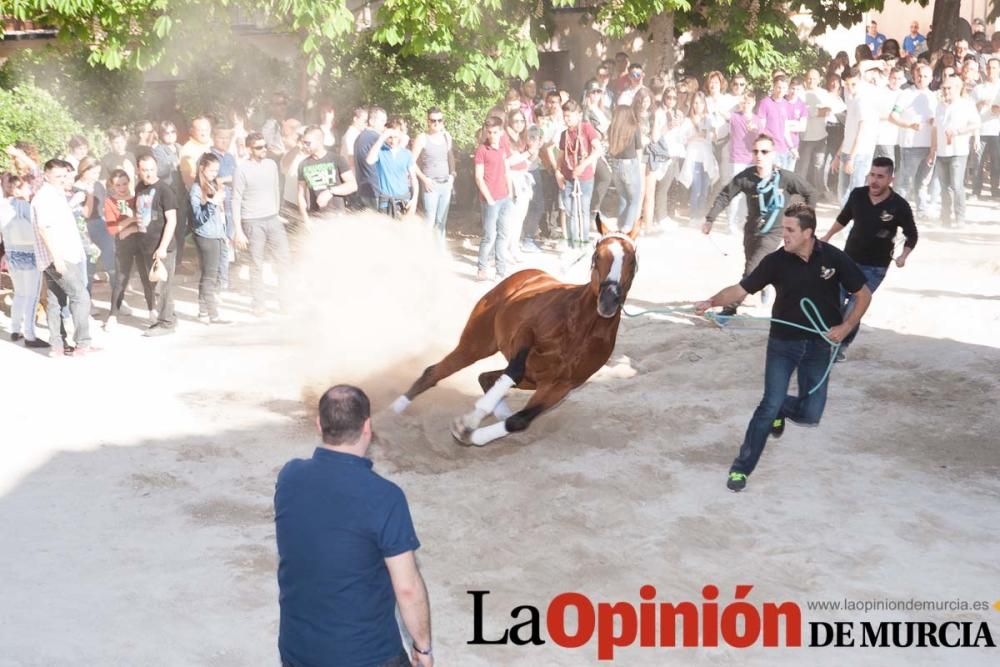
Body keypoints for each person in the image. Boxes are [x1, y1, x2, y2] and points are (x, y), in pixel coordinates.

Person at [695, 203, 871, 492]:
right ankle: (741, 468)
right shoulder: (775, 261)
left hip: (819, 345)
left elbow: (862, 295)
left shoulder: (833, 259)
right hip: (782, 344)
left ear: (808, 233)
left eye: (790, 230)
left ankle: (781, 409)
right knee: (768, 404)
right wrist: (711, 301)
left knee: (811, 413)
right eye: (783, 229)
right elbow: (740, 290)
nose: (783, 235)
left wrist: (846, 327)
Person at [275, 385, 433, 667]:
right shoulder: (385, 496)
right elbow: (407, 588)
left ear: (319, 424)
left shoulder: (289, 476)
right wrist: (423, 649)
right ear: (367, 427)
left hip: (296, 652)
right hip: (366, 656)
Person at [703, 133, 817, 315]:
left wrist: (806, 219)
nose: (759, 156)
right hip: (751, 231)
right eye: (756, 151)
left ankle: (728, 312)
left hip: (774, 233)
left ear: (773, 154)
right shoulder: (746, 177)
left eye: (764, 151)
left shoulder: (785, 178)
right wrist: (710, 219)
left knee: (750, 273)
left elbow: (810, 192)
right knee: (754, 267)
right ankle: (765, 286)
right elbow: (726, 195)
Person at [821, 157, 917, 360]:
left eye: (880, 177)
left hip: (875, 267)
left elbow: (912, 234)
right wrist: (827, 237)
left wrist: (903, 255)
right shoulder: (857, 195)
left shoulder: (899, 205)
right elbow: (844, 218)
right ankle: (827, 341)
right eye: (872, 175)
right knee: (833, 303)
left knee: (854, 308)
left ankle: (840, 348)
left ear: (891, 178)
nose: (874, 180)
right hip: (847, 261)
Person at [31, 159, 94, 356]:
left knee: (55, 301)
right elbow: (43, 228)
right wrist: (56, 258)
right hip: (58, 256)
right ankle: (83, 343)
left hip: (60, 255)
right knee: (80, 296)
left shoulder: (56, 195)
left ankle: (58, 346)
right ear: (46, 175)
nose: (61, 179)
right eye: (57, 176)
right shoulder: (45, 197)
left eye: (64, 175)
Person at [233, 131, 288, 317]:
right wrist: (238, 230)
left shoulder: (271, 165)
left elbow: (276, 189)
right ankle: (258, 303)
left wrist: (277, 212)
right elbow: (236, 200)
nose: (263, 150)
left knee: (283, 261)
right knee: (256, 264)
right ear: (249, 149)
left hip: (272, 219)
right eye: (258, 147)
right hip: (252, 221)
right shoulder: (241, 170)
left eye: (265, 146)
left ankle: (285, 301)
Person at [103, 169, 155, 328]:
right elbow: (112, 229)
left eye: (125, 183)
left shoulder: (137, 198)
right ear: (112, 186)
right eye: (118, 185)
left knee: (147, 277)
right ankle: (113, 315)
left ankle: (152, 310)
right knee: (121, 279)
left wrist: (130, 229)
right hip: (123, 245)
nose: (122, 187)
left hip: (141, 240)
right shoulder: (110, 201)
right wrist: (131, 220)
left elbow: (145, 221)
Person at [0, 173, 48, 347]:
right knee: (31, 295)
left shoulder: (3, 207)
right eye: (27, 186)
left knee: (20, 293)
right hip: (30, 254)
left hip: (13, 255)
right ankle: (29, 334)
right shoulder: (27, 207)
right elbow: (39, 229)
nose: (30, 189)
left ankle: (15, 328)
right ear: (18, 188)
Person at [134, 154, 179, 336]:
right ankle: (169, 316)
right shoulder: (140, 188)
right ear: (138, 170)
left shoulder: (164, 190)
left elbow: (172, 220)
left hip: (163, 247)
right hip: (146, 244)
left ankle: (166, 323)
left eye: (152, 169)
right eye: (145, 170)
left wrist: (162, 247)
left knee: (162, 287)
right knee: (155, 285)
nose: (149, 173)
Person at [929, 76, 980, 227]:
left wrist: (958, 131)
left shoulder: (967, 104)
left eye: (948, 88)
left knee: (957, 185)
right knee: (944, 187)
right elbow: (935, 129)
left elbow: (976, 123)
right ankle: (945, 218)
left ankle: (960, 217)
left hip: (958, 151)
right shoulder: (939, 106)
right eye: (943, 88)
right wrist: (933, 150)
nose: (945, 91)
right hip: (942, 152)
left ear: (958, 88)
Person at [188, 153, 232, 325]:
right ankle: (213, 314)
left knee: (208, 274)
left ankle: (203, 312)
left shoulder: (211, 185)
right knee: (210, 277)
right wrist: (213, 203)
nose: (215, 173)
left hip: (216, 234)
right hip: (206, 236)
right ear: (202, 169)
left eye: (217, 170)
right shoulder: (196, 189)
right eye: (211, 170)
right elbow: (198, 217)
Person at [890, 63, 937, 213]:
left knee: (923, 182)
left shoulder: (934, 96)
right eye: (919, 75)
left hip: (929, 145)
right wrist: (909, 125)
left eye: (925, 76)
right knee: (905, 182)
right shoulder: (906, 94)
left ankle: (922, 210)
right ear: (914, 76)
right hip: (911, 145)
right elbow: (893, 116)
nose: (921, 79)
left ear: (930, 78)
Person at [556, 99, 603, 248]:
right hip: (568, 176)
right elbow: (561, 155)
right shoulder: (564, 134)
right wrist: (558, 173)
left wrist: (583, 165)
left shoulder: (587, 128)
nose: (567, 119)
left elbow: (598, 150)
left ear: (578, 115)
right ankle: (572, 243)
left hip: (584, 177)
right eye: (565, 116)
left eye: (570, 116)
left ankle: (583, 242)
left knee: (583, 210)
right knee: (570, 211)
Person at [475, 117, 513, 281]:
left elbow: (506, 170)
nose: (492, 135)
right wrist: (489, 198)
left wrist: (510, 191)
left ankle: (501, 270)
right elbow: (478, 177)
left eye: (495, 132)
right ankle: (482, 267)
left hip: (504, 197)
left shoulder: (504, 147)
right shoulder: (482, 150)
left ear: (501, 132)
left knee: (503, 235)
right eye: (489, 132)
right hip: (490, 200)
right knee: (489, 235)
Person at [298, 125, 357, 226]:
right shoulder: (303, 164)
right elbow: (301, 194)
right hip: (316, 218)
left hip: (338, 217)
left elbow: (352, 185)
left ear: (319, 141)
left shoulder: (337, 159)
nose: (304, 146)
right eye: (303, 143)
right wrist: (306, 219)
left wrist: (330, 192)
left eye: (307, 143)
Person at [413, 107, 457, 243]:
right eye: (433, 120)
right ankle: (426, 253)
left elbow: (450, 157)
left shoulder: (447, 136)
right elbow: (411, 162)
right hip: (431, 185)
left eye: (439, 120)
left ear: (443, 121)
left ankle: (440, 252)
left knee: (441, 221)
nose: (436, 123)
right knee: (429, 221)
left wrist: (452, 175)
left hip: (446, 183)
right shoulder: (422, 138)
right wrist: (424, 179)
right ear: (428, 121)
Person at [365, 117, 419, 219]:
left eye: (396, 137)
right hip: (385, 202)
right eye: (390, 137)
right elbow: (369, 160)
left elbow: (413, 178)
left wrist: (414, 200)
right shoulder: (380, 151)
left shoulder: (406, 154)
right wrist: (382, 138)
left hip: (404, 201)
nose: (393, 141)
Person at [605, 105, 644, 234]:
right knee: (634, 199)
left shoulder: (612, 129)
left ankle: (620, 225)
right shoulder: (634, 128)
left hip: (616, 164)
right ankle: (627, 227)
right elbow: (639, 150)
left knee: (623, 197)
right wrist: (639, 168)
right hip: (630, 164)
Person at [354, 107, 388, 210]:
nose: (384, 124)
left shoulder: (359, 137)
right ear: (371, 121)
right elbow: (393, 154)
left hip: (362, 187)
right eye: (382, 120)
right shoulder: (376, 138)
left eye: (385, 121)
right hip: (375, 189)